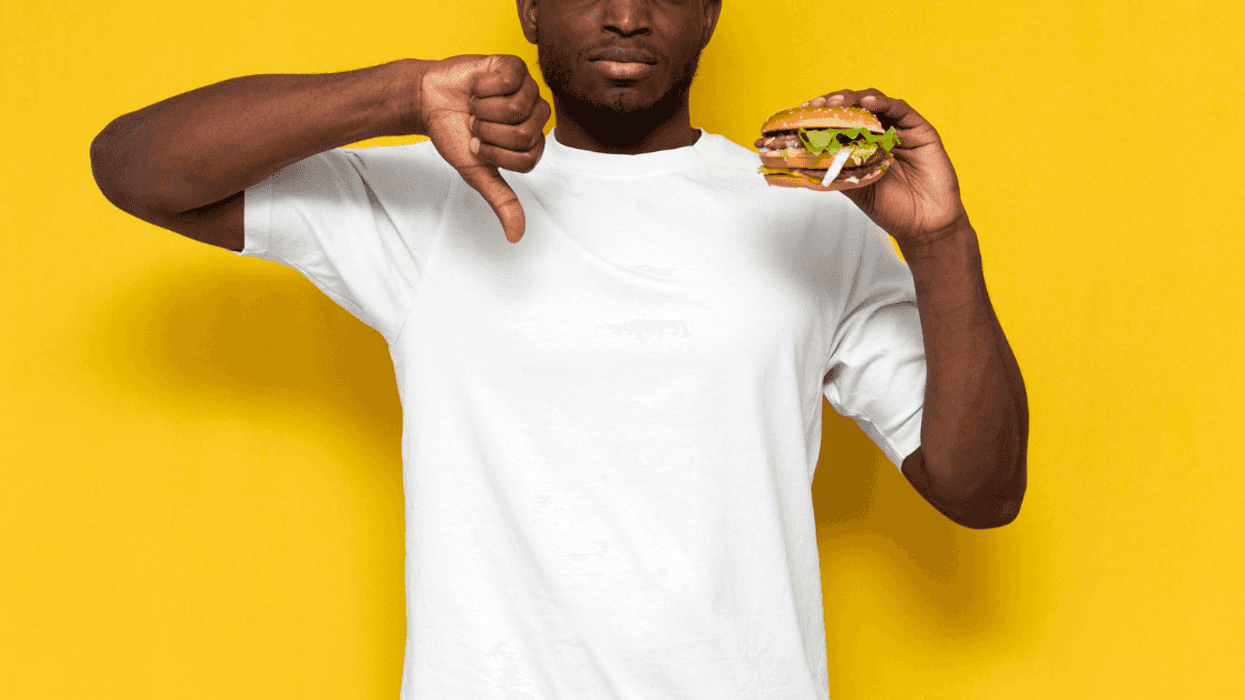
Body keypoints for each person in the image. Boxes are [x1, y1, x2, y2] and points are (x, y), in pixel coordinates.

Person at [90, 0, 1028, 697]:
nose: (625, 14)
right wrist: (399, 96)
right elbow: (136, 169)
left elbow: (979, 490)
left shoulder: (810, 216)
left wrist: (939, 241)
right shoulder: (428, 200)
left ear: (708, 13)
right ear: (529, 9)